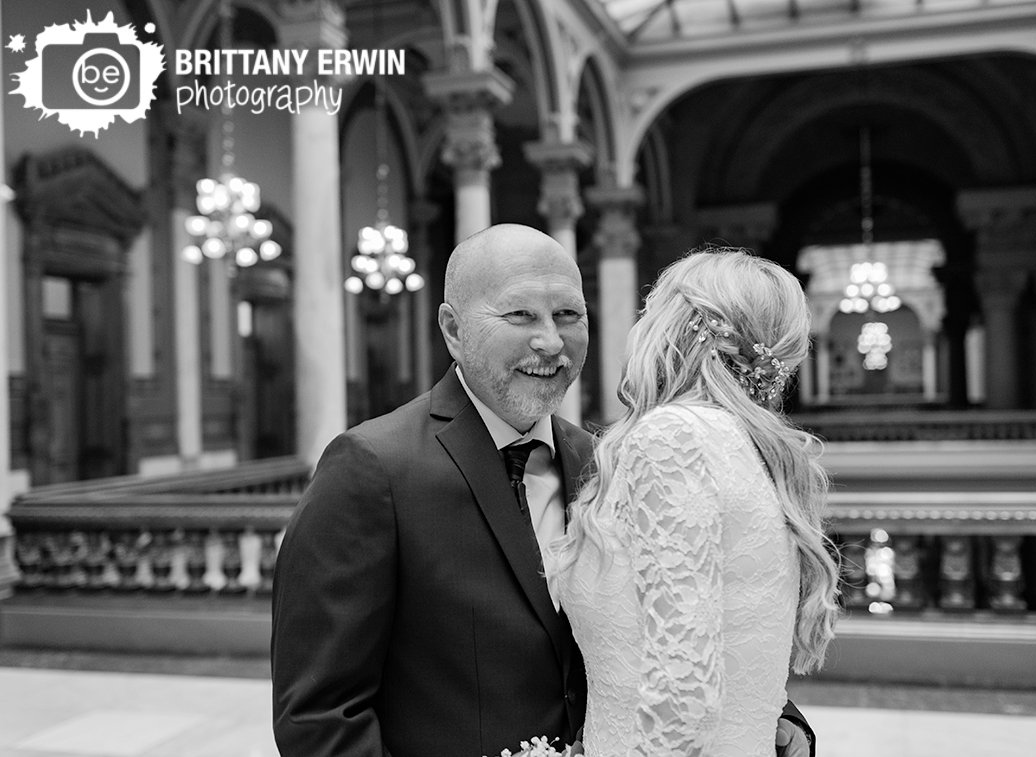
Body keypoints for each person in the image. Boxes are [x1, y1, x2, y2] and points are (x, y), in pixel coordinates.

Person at [271, 225, 813, 757]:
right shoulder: (371, 468)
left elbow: (679, 620)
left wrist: (774, 719)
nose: (550, 342)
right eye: (520, 315)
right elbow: (320, 717)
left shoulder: (605, 459)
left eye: (569, 315)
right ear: (453, 329)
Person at [551, 247, 841, 756]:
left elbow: (682, 697)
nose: (638, 326)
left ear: (682, 329)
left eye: (651, 310)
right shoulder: (749, 446)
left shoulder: (673, 439)